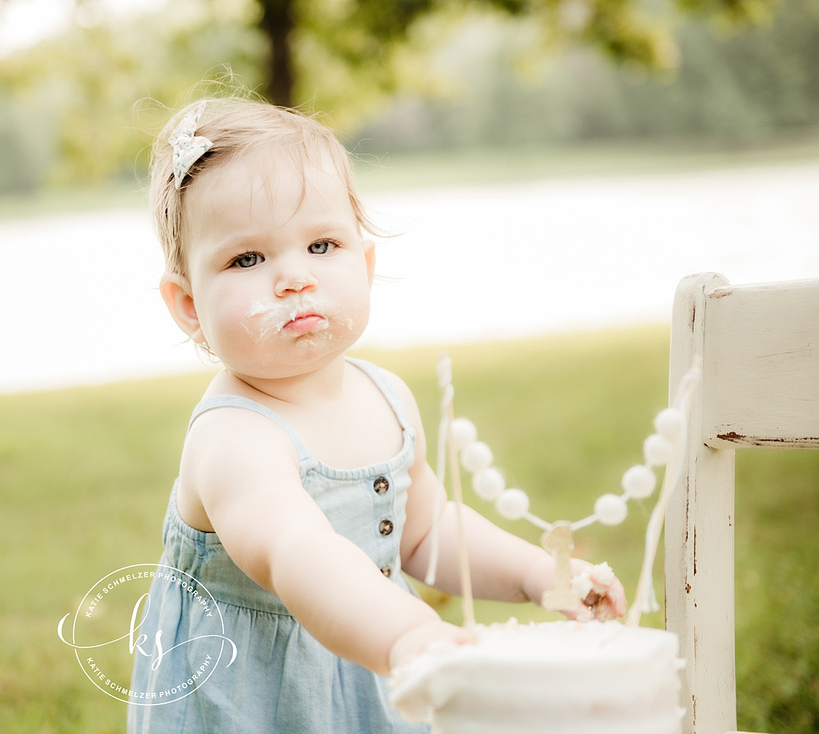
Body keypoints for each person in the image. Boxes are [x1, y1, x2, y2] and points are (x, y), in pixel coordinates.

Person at [127, 96, 625, 733]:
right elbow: (295, 550)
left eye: (321, 244)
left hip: (374, 660)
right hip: (254, 693)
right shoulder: (234, 438)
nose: (294, 278)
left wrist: (539, 575)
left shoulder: (384, 395)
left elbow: (426, 532)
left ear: (364, 263)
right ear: (189, 305)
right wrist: (409, 634)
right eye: (247, 259)